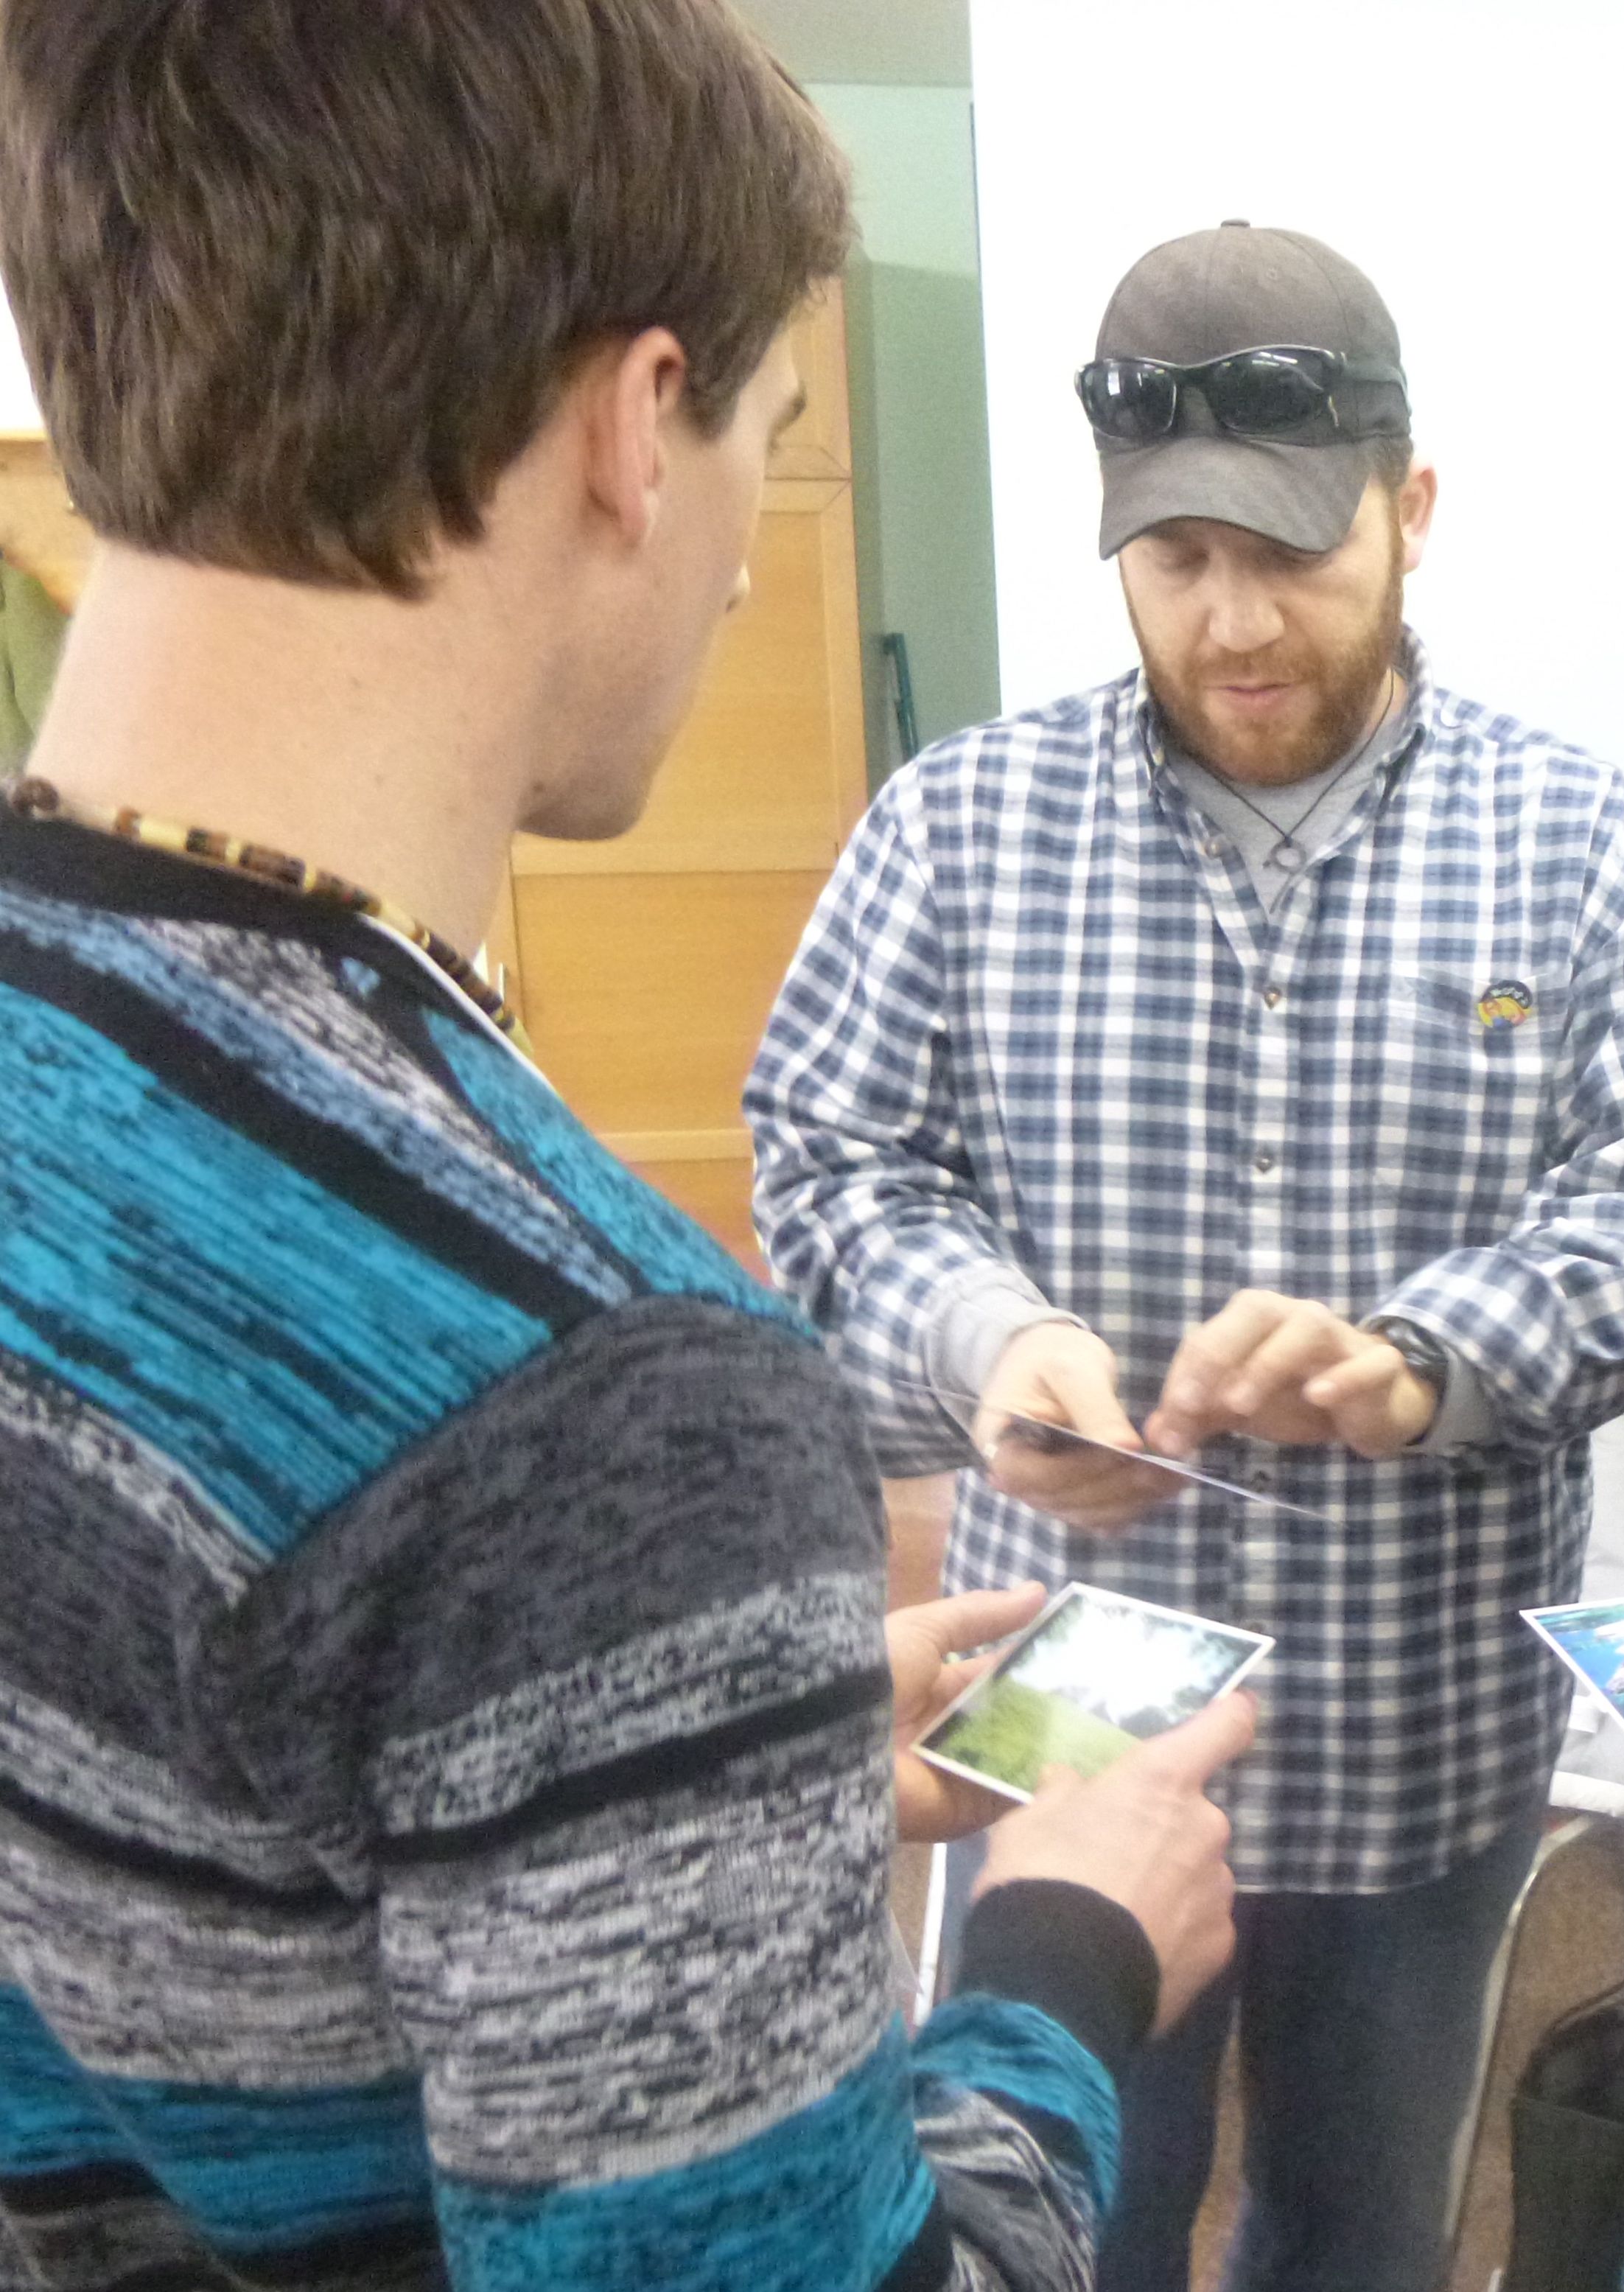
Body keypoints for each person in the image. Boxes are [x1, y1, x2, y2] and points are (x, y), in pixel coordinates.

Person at [0, 7, 1250, 2288]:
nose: (752, 562)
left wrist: (647, 1766)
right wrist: (1061, 1954)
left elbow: (187, 1873)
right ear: (632, 425)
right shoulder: (608, 1404)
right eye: (771, 434)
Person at [745, 223, 1624, 2292]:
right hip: (1070, 1733)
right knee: (1056, 2212)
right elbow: (828, 1164)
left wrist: (1426, 1355)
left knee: (1360, 2234)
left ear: (1411, 507)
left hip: (1419, 1737)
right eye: (1176, 558)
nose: (1231, 622)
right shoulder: (956, 829)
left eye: (1289, 554)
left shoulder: (1581, 843)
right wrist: (989, 1338)